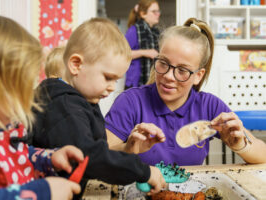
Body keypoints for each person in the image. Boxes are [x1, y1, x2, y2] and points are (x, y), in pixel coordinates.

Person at [31, 18, 167, 195]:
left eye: (116, 80)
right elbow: (90, 157)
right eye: (108, 77)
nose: (112, 87)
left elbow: (98, 146)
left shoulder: (84, 99)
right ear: (76, 65)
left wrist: (127, 150)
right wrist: (144, 171)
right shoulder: (64, 106)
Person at [105, 18, 266, 166]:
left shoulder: (208, 106)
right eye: (163, 63)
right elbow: (100, 157)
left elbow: (262, 155)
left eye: (182, 70)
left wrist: (241, 146)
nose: (168, 76)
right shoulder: (131, 102)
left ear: (198, 76)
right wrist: (128, 148)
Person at [0, 8, 85, 200]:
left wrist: (50, 159)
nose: (25, 101)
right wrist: (43, 192)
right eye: (16, 91)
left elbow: (15, 157)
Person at [125, 0, 161, 89]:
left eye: (158, 11)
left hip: (152, 82)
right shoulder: (133, 30)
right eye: (154, 11)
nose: (158, 14)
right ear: (142, 14)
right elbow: (122, 54)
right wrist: (145, 52)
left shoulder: (156, 33)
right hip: (135, 84)